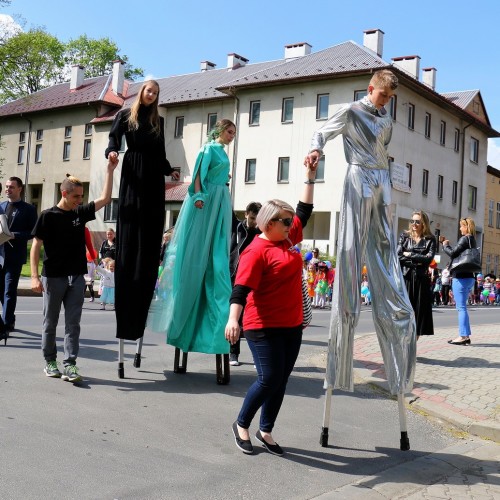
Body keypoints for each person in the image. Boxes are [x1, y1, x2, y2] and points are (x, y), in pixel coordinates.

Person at [304, 69, 416, 395]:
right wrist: (316, 152)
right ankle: (340, 364)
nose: (386, 102)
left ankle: (397, 364)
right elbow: (321, 133)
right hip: (358, 180)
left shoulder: (386, 120)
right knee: (351, 254)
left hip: (382, 185)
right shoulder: (351, 111)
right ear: (371, 88)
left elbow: (384, 149)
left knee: (384, 260)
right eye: (383, 96)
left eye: (390, 98)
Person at [226, 163, 317, 456]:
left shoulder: (287, 237)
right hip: (261, 325)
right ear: (268, 224)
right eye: (286, 221)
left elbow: (304, 210)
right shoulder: (256, 251)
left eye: (291, 222)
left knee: (281, 379)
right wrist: (233, 321)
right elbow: (240, 290)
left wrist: (309, 177)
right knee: (269, 377)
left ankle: (266, 430)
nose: (293, 225)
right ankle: (241, 424)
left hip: (291, 324)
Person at [149, 119, 235, 354]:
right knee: (198, 250)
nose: (232, 136)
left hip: (220, 199)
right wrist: (199, 195)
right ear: (219, 131)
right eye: (229, 131)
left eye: (234, 133)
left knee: (216, 252)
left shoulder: (222, 152)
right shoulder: (209, 149)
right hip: (207, 200)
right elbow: (198, 174)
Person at [30, 157, 118, 382]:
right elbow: (36, 245)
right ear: (64, 194)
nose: (80, 200)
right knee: (50, 322)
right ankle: (50, 361)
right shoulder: (48, 216)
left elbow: (106, 198)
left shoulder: (80, 213)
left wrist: (109, 170)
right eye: (76, 196)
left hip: (77, 277)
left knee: (73, 323)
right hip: (53, 276)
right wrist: (33, 276)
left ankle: (70, 364)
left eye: (82, 196)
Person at [105, 80, 180, 342]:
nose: (152, 95)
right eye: (149, 91)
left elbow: (160, 153)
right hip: (132, 169)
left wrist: (169, 169)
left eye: (156, 93)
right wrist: (113, 151)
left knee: (150, 223)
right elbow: (113, 138)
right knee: (131, 218)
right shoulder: (126, 114)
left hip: (152, 175)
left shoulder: (158, 120)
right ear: (141, 92)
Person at [0, 176, 38, 333]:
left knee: (9, 289)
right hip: (0, 254)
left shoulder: (28, 209)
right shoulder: (1, 206)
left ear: (20, 189)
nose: (8, 189)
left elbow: (33, 233)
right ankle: (9, 318)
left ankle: (6, 324)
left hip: (15, 256)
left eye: (11, 187)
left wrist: (14, 235)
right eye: (7, 186)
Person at [228, 201, 262, 366]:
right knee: (236, 316)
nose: (255, 222)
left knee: (254, 317)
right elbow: (227, 210)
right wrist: (224, 185)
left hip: (254, 277)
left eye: (257, 219)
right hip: (236, 276)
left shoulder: (261, 231)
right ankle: (233, 354)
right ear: (247, 214)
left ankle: (257, 356)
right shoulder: (237, 227)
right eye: (253, 218)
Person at [397, 211, 436, 339]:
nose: (414, 224)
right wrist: (417, 261)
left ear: (423, 223)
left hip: (421, 279)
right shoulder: (405, 236)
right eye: (412, 221)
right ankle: (404, 343)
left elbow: (428, 259)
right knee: (405, 311)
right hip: (406, 277)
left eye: (417, 221)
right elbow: (398, 256)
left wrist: (410, 255)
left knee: (418, 314)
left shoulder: (430, 239)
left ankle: (412, 345)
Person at [440, 217, 478, 345]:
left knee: (461, 308)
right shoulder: (473, 240)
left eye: (461, 226)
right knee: (463, 307)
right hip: (470, 277)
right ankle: (465, 336)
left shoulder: (464, 238)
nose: (460, 228)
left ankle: (463, 336)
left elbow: (453, 253)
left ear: (467, 227)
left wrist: (445, 245)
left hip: (460, 277)